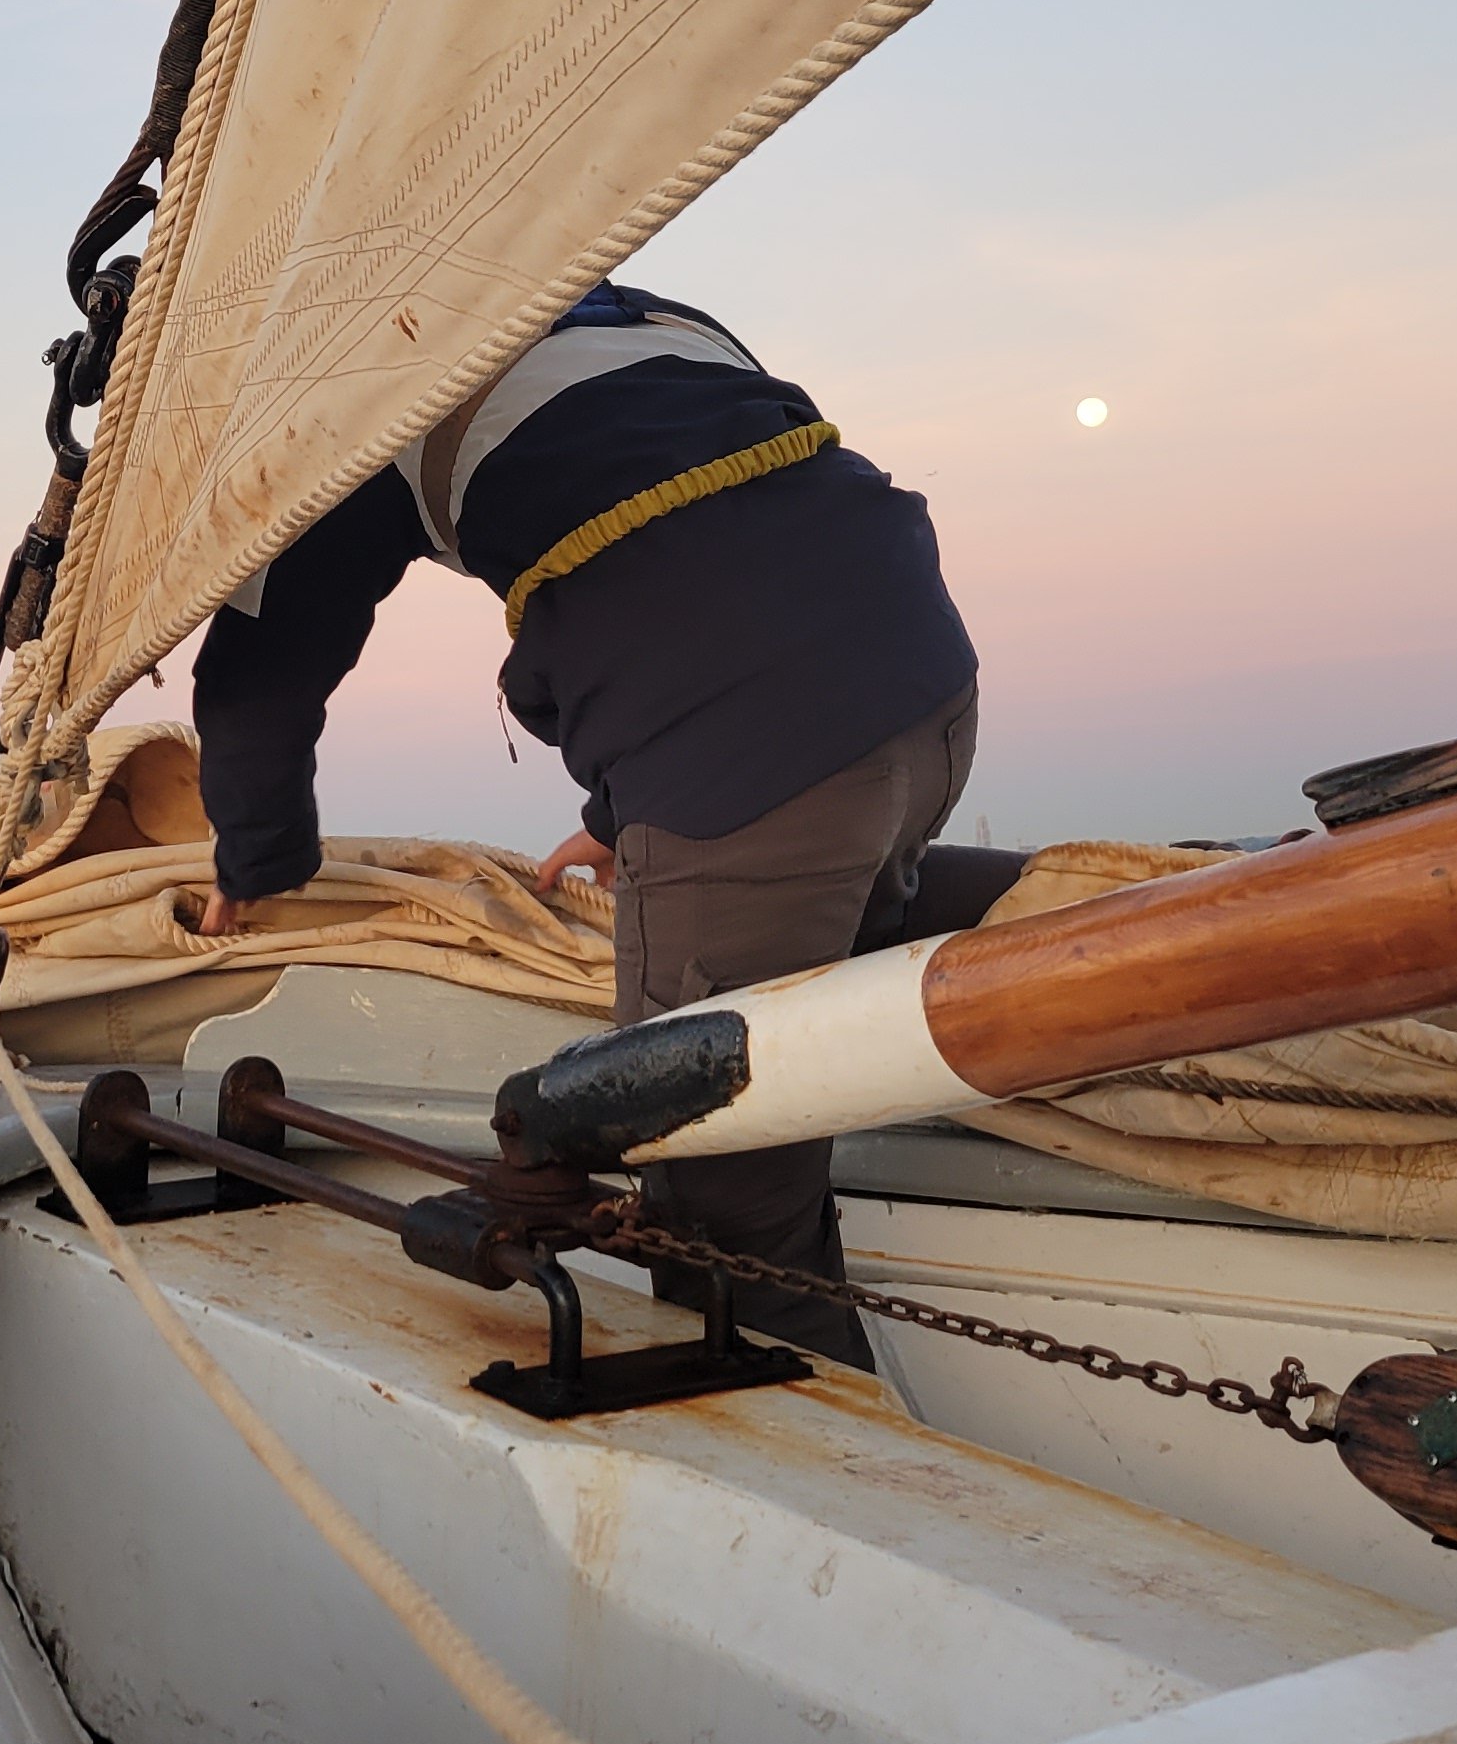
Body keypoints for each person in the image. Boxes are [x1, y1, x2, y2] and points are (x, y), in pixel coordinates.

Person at [188, 279, 1002, 1364]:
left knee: (716, 1186)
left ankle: (837, 1479)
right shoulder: (616, 300)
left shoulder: (353, 395)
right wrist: (629, 820)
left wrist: (259, 859)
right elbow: (704, 534)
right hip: (925, 692)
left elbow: (260, 672)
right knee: (857, 931)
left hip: (754, 748)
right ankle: (1123, 907)